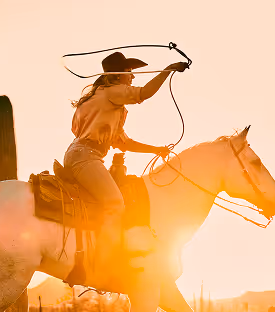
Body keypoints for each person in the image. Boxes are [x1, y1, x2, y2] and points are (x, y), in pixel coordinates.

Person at [64, 51, 188, 285]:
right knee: (114, 203)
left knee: (111, 200)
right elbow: (144, 94)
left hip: (82, 154)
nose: (132, 77)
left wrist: (156, 150)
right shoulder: (112, 93)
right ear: (118, 75)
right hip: (86, 156)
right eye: (129, 72)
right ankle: (105, 262)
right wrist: (168, 69)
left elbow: (122, 142)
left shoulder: (105, 100)